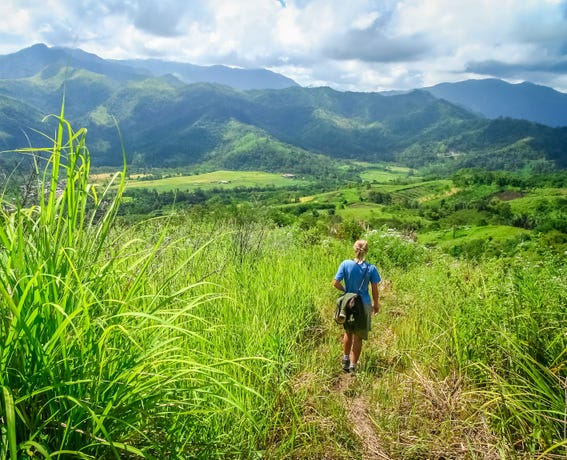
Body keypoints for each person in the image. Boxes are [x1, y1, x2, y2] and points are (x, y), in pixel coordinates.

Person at [332, 239, 381, 373]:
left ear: (354, 249)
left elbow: (335, 282)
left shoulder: (345, 264)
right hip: (363, 304)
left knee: (348, 332)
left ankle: (345, 359)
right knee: (358, 336)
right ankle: (353, 366)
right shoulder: (371, 268)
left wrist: (346, 292)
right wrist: (376, 304)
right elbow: (374, 289)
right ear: (366, 251)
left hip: (348, 303)